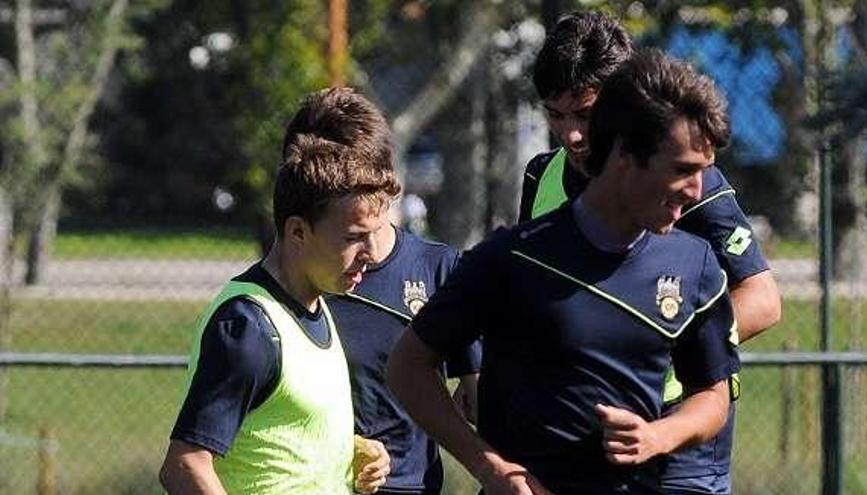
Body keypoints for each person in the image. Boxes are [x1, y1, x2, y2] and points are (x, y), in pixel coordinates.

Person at [388, 49, 741, 495]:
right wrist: (491, 468)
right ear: (625, 155)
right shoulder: (512, 259)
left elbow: (712, 394)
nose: (696, 190)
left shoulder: (694, 265)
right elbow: (408, 366)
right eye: (684, 171)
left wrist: (658, 436)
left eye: (703, 173)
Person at [519, 11, 782, 494]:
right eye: (555, 115)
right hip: (579, 429)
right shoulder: (542, 175)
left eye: (584, 113)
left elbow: (762, 298)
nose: (571, 134)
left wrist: (655, 347)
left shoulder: (686, 179)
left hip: (682, 441)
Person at [159, 87, 398, 495]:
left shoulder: (317, 304)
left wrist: (349, 453)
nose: (368, 255)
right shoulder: (249, 326)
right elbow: (184, 466)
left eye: (372, 236)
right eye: (353, 238)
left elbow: (276, 435)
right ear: (298, 232)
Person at [327, 217, 481, 495]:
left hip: (412, 484)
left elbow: (478, 397)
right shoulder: (309, 270)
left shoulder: (439, 265)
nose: (366, 251)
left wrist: (494, 469)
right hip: (319, 481)